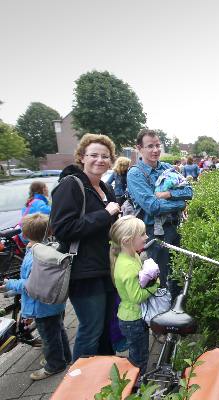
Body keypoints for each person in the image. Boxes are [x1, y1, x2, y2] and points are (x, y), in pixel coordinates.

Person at [51, 133, 120, 361]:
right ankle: (76, 384)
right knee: (90, 330)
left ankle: (103, 379)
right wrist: (105, 214)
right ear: (82, 157)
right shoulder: (70, 186)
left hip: (105, 268)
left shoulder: (103, 187)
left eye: (105, 156)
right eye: (93, 155)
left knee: (105, 330)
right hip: (83, 272)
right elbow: (62, 229)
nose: (99, 160)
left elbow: (108, 226)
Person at [1, 213, 72, 380]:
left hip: (40, 305)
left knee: (48, 337)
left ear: (25, 235)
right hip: (53, 303)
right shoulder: (50, 248)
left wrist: (10, 285)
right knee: (58, 331)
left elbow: (30, 284)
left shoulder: (33, 256)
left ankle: (55, 364)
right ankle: (65, 357)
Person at [127, 129, 193, 296]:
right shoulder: (135, 174)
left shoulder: (167, 167)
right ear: (139, 148)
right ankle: (162, 318)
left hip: (175, 228)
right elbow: (153, 207)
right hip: (154, 234)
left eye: (157, 145)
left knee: (177, 274)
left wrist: (168, 194)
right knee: (161, 278)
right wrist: (180, 203)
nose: (155, 150)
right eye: (150, 146)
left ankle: (177, 313)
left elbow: (190, 191)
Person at [110, 216, 160, 375]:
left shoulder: (132, 256)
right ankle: (137, 386)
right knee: (139, 357)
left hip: (133, 316)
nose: (146, 237)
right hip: (133, 319)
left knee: (139, 352)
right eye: (142, 234)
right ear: (127, 240)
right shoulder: (128, 265)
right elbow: (137, 296)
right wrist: (156, 283)